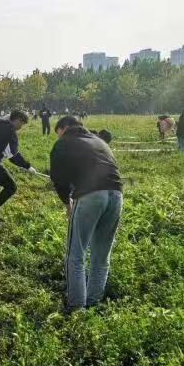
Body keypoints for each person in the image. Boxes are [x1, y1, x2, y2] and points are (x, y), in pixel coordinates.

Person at [50, 116, 122, 310]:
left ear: (63, 128)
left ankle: (76, 308)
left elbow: (59, 180)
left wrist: (67, 204)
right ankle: (93, 301)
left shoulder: (63, 144)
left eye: (58, 133)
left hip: (90, 197)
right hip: (116, 195)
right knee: (101, 254)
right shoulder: (99, 141)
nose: (58, 137)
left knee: (76, 254)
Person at [0, 110, 38, 224]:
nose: (21, 127)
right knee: (11, 187)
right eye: (22, 123)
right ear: (17, 119)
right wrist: (28, 167)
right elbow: (13, 156)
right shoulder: (10, 131)